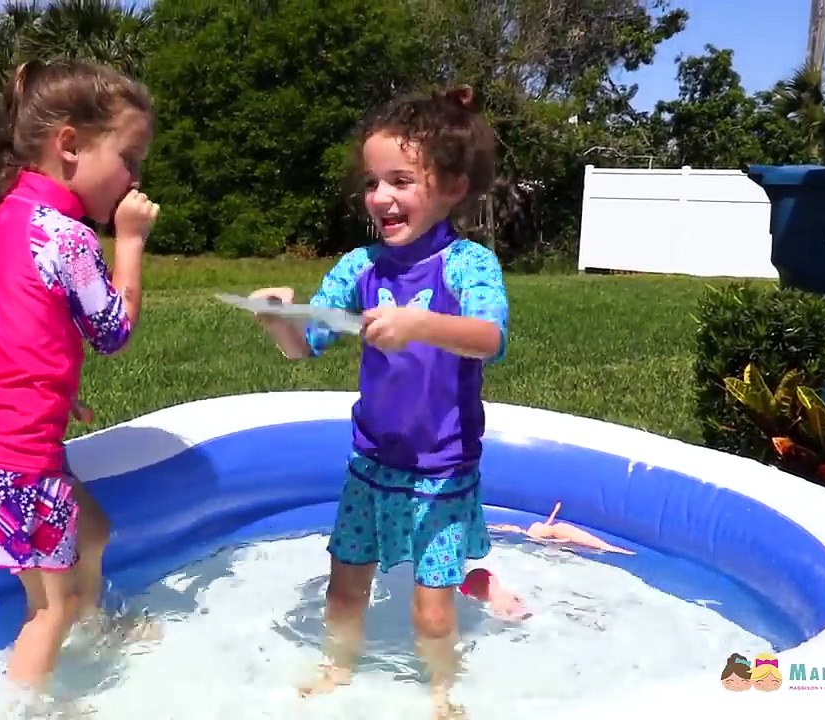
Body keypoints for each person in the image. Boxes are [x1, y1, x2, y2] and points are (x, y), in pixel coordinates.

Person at [250, 85, 508, 720]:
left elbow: (489, 339)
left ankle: (443, 691)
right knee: (344, 586)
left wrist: (418, 325)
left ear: (450, 185)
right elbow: (305, 347)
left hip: (441, 469)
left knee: (431, 606)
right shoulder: (359, 265)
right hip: (371, 462)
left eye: (400, 179)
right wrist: (278, 318)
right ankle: (338, 668)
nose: (381, 198)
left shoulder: (466, 265)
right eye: (373, 182)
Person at [0, 58, 159, 712]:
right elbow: (112, 330)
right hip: (20, 463)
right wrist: (131, 242)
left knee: (95, 532)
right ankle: (31, 706)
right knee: (47, 610)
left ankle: (97, 627)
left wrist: (50, 386)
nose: (135, 176)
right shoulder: (67, 235)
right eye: (129, 156)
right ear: (69, 145)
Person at [488, 502, 635, 555]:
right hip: (560, 533)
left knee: (594, 542)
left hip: (559, 529)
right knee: (593, 543)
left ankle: (615, 549)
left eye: (508, 526)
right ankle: (617, 550)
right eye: (508, 527)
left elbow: (548, 523)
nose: (511, 526)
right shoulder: (531, 535)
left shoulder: (532, 529)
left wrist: (555, 510)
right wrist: (564, 541)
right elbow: (545, 540)